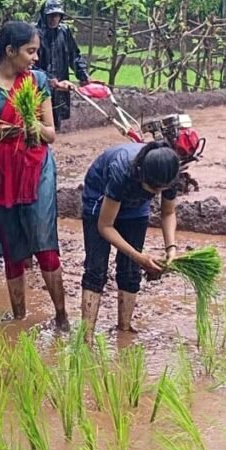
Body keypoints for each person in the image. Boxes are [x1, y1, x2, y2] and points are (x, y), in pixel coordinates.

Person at [0, 21, 68, 329]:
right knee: (13, 248)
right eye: (30, 51)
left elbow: (50, 134)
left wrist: (31, 126)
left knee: (44, 242)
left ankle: (62, 318)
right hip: (1, 175)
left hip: (35, 169)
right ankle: (19, 317)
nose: (35, 58)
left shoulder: (36, 82)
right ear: (10, 51)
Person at [80, 142, 180, 342]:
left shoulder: (169, 173)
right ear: (141, 172)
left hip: (135, 205)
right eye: (153, 188)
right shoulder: (121, 171)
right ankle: (86, 338)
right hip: (100, 198)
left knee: (131, 270)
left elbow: (168, 212)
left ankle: (124, 330)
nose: (156, 193)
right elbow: (105, 226)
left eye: (161, 190)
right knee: (96, 269)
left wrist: (172, 249)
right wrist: (139, 256)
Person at [35, 0, 91, 130]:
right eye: (51, 15)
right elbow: (29, 63)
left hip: (61, 86)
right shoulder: (35, 34)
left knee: (56, 120)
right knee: (39, 120)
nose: (54, 18)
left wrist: (83, 75)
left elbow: (74, 55)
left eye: (57, 15)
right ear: (44, 15)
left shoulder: (64, 32)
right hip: (39, 86)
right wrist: (47, 79)